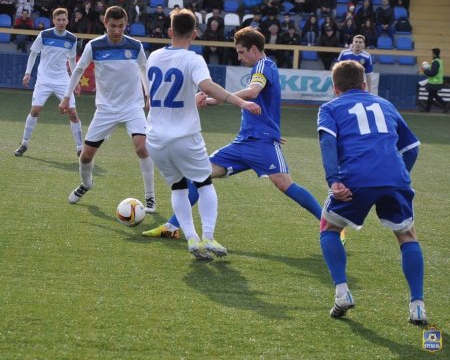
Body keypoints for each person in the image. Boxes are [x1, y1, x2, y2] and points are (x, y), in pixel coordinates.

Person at [144, 26, 323, 239]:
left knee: (284, 183)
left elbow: (253, 92)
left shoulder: (263, 66)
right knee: (199, 175)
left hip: (261, 143)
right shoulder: (260, 67)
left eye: (241, 52)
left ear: (254, 49)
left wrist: (216, 100)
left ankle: (331, 226)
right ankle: (172, 227)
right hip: (243, 143)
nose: (239, 57)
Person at [145, 9, 261, 258]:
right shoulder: (193, 59)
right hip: (184, 136)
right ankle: (208, 237)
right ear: (195, 34)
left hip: (154, 138)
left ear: (170, 31)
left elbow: (155, 97)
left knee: (178, 188)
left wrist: (190, 98)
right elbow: (207, 86)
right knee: (204, 184)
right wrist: (240, 102)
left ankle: (191, 239)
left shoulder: (153, 56)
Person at [317, 60, 426, 325]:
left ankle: (342, 293)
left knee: (329, 228)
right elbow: (411, 147)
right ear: (365, 84)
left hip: (356, 179)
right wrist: (400, 177)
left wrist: (334, 181)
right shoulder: (386, 104)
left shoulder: (330, 107)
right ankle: (418, 306)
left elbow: (328, 142)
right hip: (395, 178)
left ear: (335, 88)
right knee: (407, 235)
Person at [59, 6, 157, 214]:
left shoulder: (135, 46)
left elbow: (143, 69)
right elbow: (79, 69)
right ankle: (86, 184)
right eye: (113, 26)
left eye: (121, 26)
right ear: (105, 23)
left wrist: (149, 94)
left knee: (142, 148)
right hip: (106, 110)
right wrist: (67, 97)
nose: (117, 30)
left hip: (133, 106)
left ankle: (150, 198)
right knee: (86, 156)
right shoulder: (94, 46)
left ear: (126, 24)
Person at [14, 8, 83, 157]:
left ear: (67, 21)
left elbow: (72, 61)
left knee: (72, 113)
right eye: (58, 19)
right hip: (44, 80)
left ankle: (80, 148)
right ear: (53, 21)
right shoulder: (44, 35)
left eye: (63, 19)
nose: (61, 22)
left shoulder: (71, 38)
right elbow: (33, 53)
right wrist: (27, 73)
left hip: (63, 80)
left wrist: (76, 81)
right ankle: (24, 143)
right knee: (35, 111)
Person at [421, 48, 448, 113]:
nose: (431, 54)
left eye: (432, 53)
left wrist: (425, 71)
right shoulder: (439, 60)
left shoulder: (435, 62)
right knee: (433, 95)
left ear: (434, 54)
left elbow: (433, 73)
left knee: (431, 95)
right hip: (437, 81)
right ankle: (427, 109)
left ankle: (427, 109)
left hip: (434, 82)